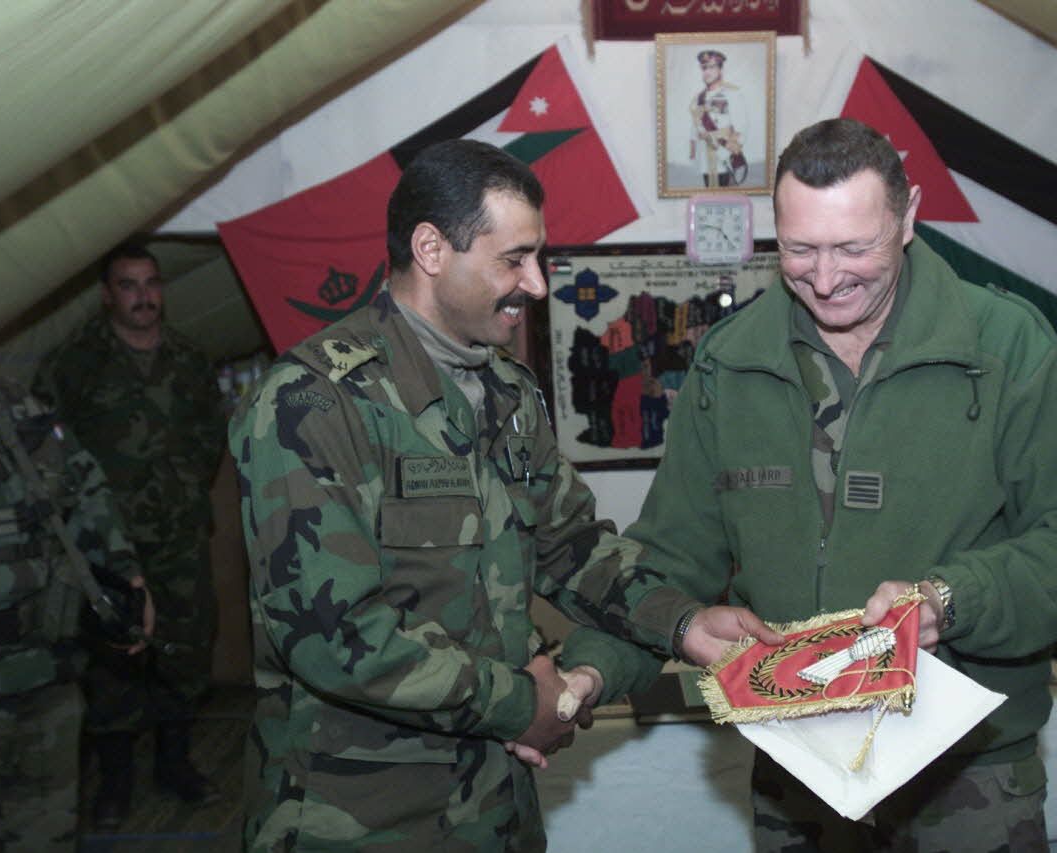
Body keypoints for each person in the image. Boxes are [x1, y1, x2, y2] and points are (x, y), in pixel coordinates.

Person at [228, 139, 779, 851]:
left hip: (496, 805)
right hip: (359, 818)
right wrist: (523, 703)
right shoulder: (313, 403)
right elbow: (336, 636)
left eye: (537, 257)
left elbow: (573, 548)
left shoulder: (509, 392)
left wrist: (683, 623)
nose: (538, 284)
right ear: (431, 249)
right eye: (513, 259)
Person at [621, 118, 1057, 851]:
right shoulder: (729, 363)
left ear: (909, 217)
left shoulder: (1005, 348)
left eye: (853, 248)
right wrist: (657, 632)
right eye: (799, 249)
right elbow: (671, 552)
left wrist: (955, 601)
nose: (825, 280)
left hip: (967, 777)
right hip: (797, 770)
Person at [31, 243, 227, 828]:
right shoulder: (74, 363)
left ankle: (176, 764)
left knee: (186, 648)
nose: (144, 297)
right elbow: (49, 447)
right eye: (128, 286)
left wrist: (183, 482)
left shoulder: (190, 358)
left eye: (151, 283)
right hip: (108, 544)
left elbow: (210, 432)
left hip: (180, 534)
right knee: (113, 661)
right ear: (107, 295)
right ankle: (114, 784)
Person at [0, 281, 153, 851]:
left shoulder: (12, 409)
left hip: (44, 676)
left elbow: (84, 489)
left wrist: (127, 577)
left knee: (44, 832)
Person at [689, 49, 749, 187]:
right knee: (709, 195)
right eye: (704, 68)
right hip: (705, 157)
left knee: (726, 195)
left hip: (724, 156)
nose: (707, 72)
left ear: (720, 69)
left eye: (712, 67)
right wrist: (693, 152)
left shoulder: (732, 94)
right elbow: (695, 127)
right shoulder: (697, 99)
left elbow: (741, 126)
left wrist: (731, 150)